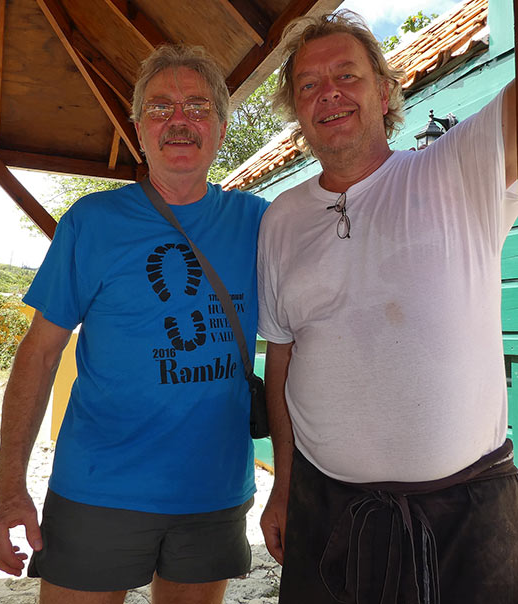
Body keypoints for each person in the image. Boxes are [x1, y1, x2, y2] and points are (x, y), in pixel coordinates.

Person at [0, 44, 268, 604]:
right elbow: (38, 354)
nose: (179, 121)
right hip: (99, 486)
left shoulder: (259, 222)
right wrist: (8, 484)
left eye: (197, 106)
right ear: (138, 128)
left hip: (212, 492)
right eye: (160, 108)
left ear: (222, 126)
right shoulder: (91, 224)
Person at [257, 10, 518, 604]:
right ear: (297, 111)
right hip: (326, 513)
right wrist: (284, 487)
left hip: (468, 516)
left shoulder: (457, 166)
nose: (329, 93)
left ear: (385, 89)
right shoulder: (280, 220)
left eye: (347, 75)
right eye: (308, 85)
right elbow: (281, 360)